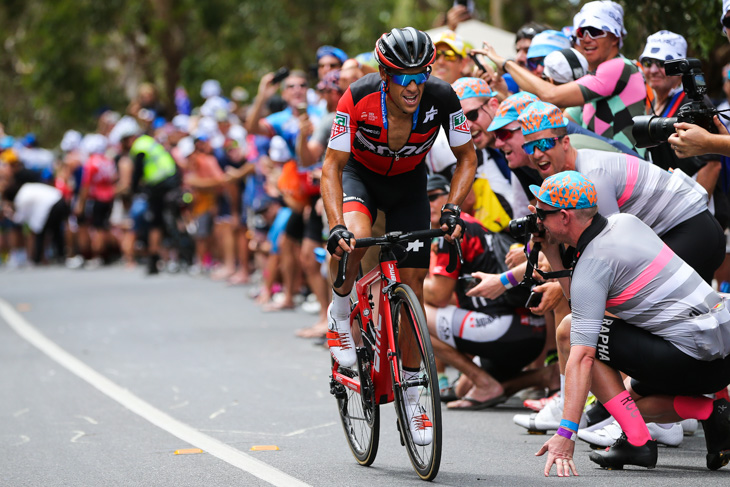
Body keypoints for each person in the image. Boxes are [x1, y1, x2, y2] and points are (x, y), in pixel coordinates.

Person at [321, 27, 477, 446]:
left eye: (420, 74)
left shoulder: (442, 97)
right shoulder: (356, 96)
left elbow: (467, 157)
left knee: (411, 285)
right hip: (360, 179)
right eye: (402, 76)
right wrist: (335, 222)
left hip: (409, 186)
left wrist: (453, 207)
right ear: (384, 74)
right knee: (354, 236)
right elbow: (332, 166)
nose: (413, 86)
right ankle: (338, 314)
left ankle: (413, 392)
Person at [529, 170, 730, 475]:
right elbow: (586, 301)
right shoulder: (625, 222)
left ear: (565, 217)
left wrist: (565, 434)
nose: (537, 220)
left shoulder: (593, 265)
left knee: (573, 332)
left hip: (692, 359)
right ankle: (712, 411)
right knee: (627, 397)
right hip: (720, 356)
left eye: (542, 213)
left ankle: (638, 442)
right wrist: (554, 257)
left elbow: (582, 353)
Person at [516, 100, 724, 283]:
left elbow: (610, 248)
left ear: (565, 142)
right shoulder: (573, 171)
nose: (536, 154)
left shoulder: (592, 174)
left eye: (544, 143)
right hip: (685, 231)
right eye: (529, 147)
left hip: (691, 230)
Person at [423, 174, 554, 410]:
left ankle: (484, 382)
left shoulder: (450, 231)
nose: (429, 204)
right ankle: (545, 376)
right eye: (424, 199)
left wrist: (407, 279)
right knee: (462, 389)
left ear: (452, 199)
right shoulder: (476, 223)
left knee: (407, 315)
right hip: (529, 333)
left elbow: (438, 295)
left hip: (501, 330)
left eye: (434, 197)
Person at [475, 1, 647, 154]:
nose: (586, 39)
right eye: (581, 32)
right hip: (613, 168)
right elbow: (551, 119)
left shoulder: (619, 66)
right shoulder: (596, 77)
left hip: (629, 167)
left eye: (594, 31)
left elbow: (552, 95)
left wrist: (506, 63)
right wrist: (504, 95)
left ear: (615, 37)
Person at [112, 116, 181, 274]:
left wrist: (133, 190)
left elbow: (137, 172)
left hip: (160, 185)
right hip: (170, 181)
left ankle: (156, 258)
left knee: (155, 222)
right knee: (163, 220)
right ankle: (163, 256)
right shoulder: (148, 141)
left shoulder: (139, 145)